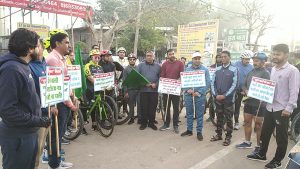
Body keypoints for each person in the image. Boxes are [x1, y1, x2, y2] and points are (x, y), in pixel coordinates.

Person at [0, 28, 51, 169]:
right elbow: (8, 110)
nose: (41, 49)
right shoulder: (12, 69)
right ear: (30, 48)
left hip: (27, 132)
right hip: (17, 136)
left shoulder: (22, 66)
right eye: (39, 45)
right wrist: (38, 120)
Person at [247, 44, 300, 169]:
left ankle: (277, 160)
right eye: (273, 54)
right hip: (269, 106)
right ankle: (261, 154)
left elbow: (294, 91)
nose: (274, 56)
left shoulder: (292, 71)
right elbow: (270, 86)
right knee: (265, 133)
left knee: (281, 137)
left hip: (282, 109)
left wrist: (289, 108)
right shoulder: (274, 69)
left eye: (278, 54)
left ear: (286, 55)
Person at [46, 31, 78, 169]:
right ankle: (53, 164)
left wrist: (73, 95)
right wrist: (70, 104)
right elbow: (58, 86)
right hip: (58, 102)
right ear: (57, 44)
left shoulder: (62, 58)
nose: (69, 45)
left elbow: (66, 81)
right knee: (55, 134)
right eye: (66, 42)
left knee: (60, 133)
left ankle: (58, 160)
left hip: (64, 100)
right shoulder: (53, 59)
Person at [29, 39, 59, 169]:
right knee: (34, 151)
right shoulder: (28, 66)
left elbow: (51, 88)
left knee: (40, 148)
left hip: (47, 113)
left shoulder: (44, 65)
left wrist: (53, 105)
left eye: (36, 46)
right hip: (36, 115)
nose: (34, 49)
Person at [235, 52, 270, 154]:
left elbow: (268, 89)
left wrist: (260, 95)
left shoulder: (266, 73)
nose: (254, 62)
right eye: (254, 60)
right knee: (247, 122)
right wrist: (245, 90)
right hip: (248, 101)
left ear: (263, 62)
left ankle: (259, 145)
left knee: (258, 125)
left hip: (259, 104)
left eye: (257, 61)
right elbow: (244, 85)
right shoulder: (251, 71)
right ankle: (247, 142)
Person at [210, 50, 238, 146]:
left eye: (225, 56)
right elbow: (212, 83)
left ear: (229, 57)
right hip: (217, 98)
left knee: (229, 118)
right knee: (219, 116)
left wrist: (225, 95)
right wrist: (215, 94)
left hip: (228, 99)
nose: (223, 58)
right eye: (221, 57)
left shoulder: (234, 69)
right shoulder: (217, 69)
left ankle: (228, 137)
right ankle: (218, 134)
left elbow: (234, 85)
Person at [181, 52, 210, 141]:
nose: (197, 60)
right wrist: (187, 90)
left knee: (199, 114)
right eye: (195, 58)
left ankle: (199, 132)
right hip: (189, 95)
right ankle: (189, 130)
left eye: (198, 58)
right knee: (189, 113)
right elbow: (184, 82)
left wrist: (199, 92)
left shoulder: (205, 69)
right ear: (192, 59)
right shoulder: (187, 69)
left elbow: (207, 82)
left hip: (199, 96)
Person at [159, 49, 184, 133]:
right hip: (166, 89)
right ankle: (166, 124)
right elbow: (162, 76)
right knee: (166, 107)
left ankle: (175, 125)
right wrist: (166, 84)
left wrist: (176, 82)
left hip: (176, 89)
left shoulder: (180, 63)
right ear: (167, 55)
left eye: (173, 54)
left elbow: (182, 75)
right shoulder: (164, 64)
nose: (172, 55)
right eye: (170, 54)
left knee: (176, 108)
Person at [138, 51, 161, 130]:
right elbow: (137, 76)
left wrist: (156, 84)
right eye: (147, 56)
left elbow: (160, 78)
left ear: (153, 57)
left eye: (151, 56)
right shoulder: (140, 65)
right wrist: (143, 83)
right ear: (145, 56)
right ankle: (144, 123)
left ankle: (151, 123)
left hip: (154, 91)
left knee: (152, 107)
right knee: (144, 107)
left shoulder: (158, 66)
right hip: (143, 90)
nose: (149, 57)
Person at [233, 50, 254, 130]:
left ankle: (246, 121)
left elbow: (252, 79)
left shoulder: (251, 67)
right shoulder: (236, 65)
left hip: (247, 91)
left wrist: (247, 90)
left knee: (247, 106)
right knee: (237, 107)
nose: (247, 61)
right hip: (238, 90)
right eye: (245, 59)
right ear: (241, 59)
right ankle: (236, 122)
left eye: (248, 59)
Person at [84, 49, 104, 131]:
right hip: (89, 89)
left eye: (98, 57)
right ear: (91, 57)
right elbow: (90, 77)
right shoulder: (87, 66)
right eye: (95, 57)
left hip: (97, 89)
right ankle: (83, 123)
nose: (97, 58)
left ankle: (94, 124)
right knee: (87, 106)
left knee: (95, 106)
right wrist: (99, 83)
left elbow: (103, 78)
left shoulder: (100, 67)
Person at [123, 53, 140, 124]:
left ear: (135, 60)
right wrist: (126, 92)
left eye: (133, 59)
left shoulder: (138, 68)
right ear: (128, 60)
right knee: (131, 105)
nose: (132, 61)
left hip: (138, 89)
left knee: (139, 104)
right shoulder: (126, 69)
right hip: (130, 90)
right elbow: (124, 81)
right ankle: (131, 118)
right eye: (130, 59)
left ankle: (139, 117)